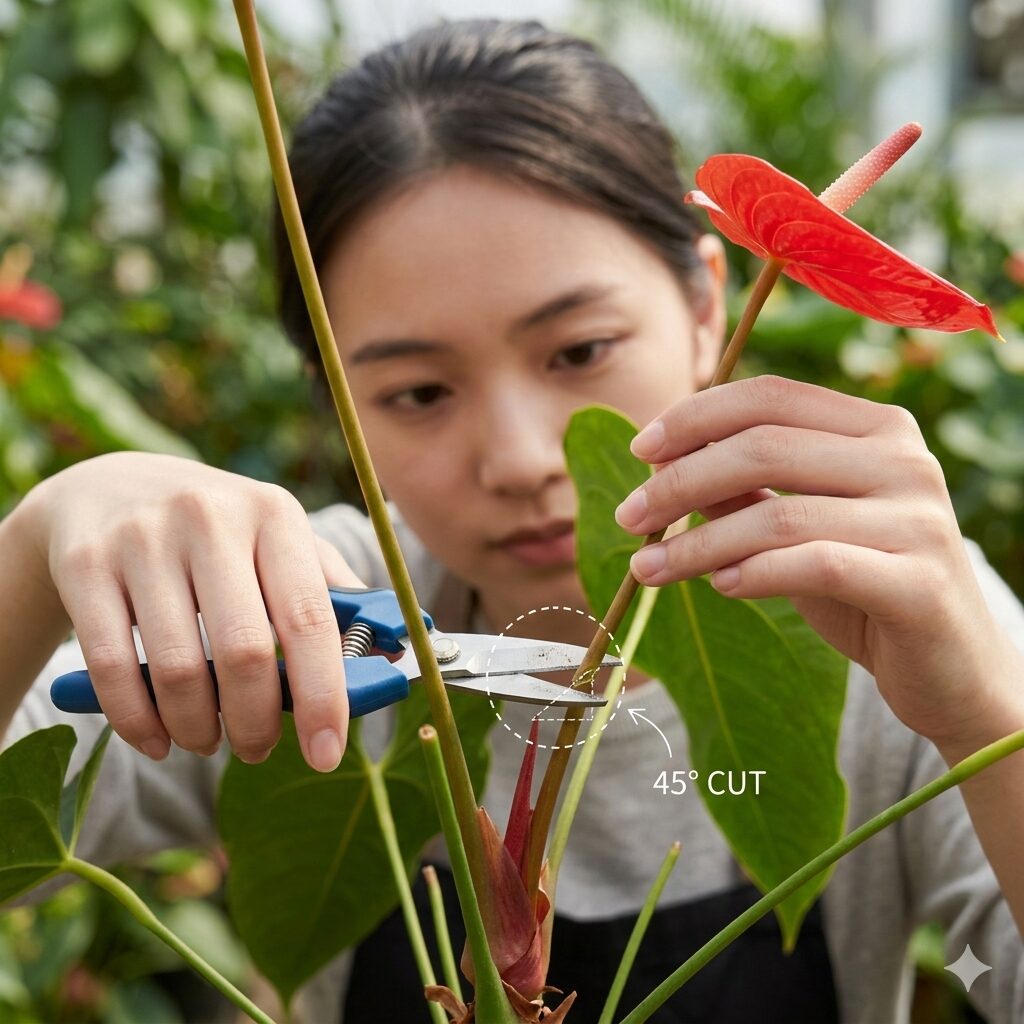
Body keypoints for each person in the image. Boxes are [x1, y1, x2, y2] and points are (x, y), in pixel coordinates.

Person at [2, 18, 1023, 1024]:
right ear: (335, 398)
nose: (521, 458)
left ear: (709, 308)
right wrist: (33, 552)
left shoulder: (894, 611)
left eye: (577, 352)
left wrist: (989, 718)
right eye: (416, 392)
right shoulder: (299, 614)